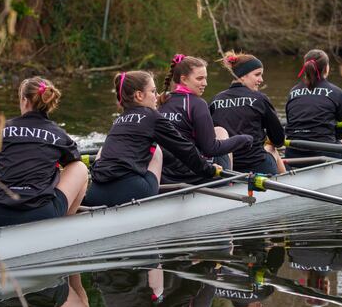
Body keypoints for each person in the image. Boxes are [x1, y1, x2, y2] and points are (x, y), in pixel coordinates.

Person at [83, 71, 221, 208]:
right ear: (139, 95)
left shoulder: (118, 120)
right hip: (132, 191)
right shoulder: (153, 117)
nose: (158, 96)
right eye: (153, 91)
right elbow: (184, 148)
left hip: (96, 194)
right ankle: (152, 204)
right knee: (156, 150)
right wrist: (208, 170)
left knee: (104, 148)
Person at [0, 77, 88, 227]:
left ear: (25, 101)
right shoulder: (58, 134)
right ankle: (64, 228)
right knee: (80, 168)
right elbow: (74, 161)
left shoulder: (2, 129)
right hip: (38, 215)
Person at [158, 54, 252, 183]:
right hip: (194, 175)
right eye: (200, 79)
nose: (205, 83)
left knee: (217, 130)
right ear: (184, 79)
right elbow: (211, 149)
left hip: (165, 177)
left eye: (205, 78)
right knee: (221, 132)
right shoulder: (197, 103)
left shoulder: (160, 101)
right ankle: (227, 184)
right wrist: (244, 139)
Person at [209, 51, 286, 174]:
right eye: (257, 75)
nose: (261, 80)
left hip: (228, 169)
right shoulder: (260, 99)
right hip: (258, 166)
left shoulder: (215, 100)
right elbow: (278, 140)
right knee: (271, 148)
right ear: (243, 76)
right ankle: (288, 184)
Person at [284, 49, 342, 161]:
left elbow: (290, 121)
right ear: (326, 68)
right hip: (325, 152)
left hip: (293, 153)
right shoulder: (336, 92)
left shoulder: (293, 91)